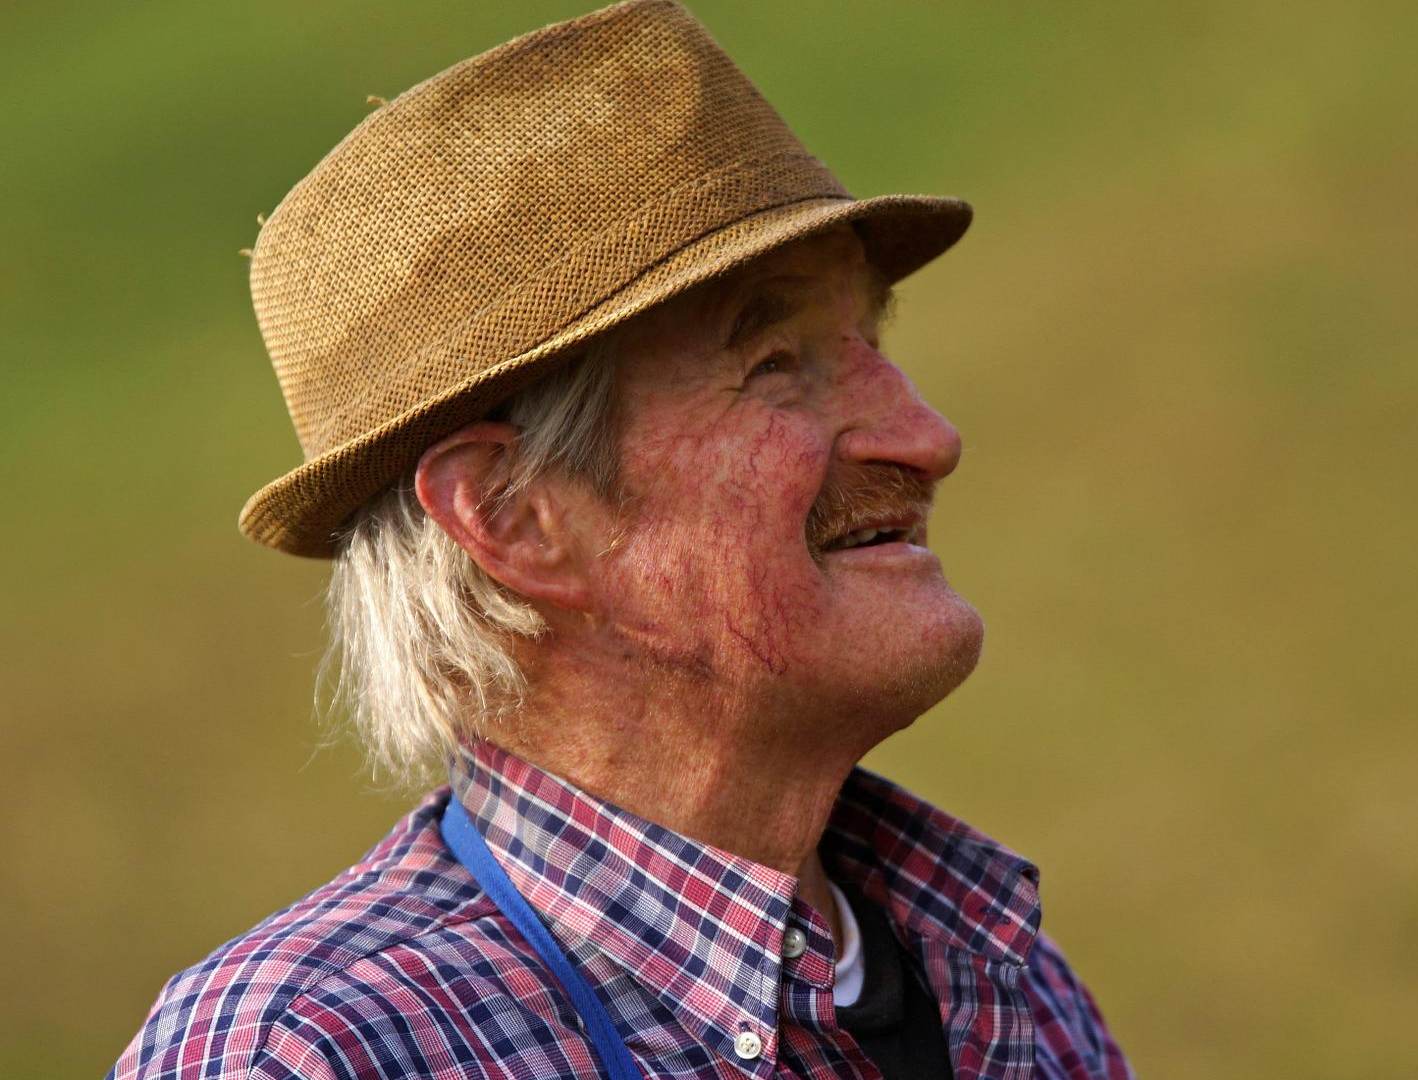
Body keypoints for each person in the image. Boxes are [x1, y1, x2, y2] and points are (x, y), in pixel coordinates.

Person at [111, 2, 1131, 1078]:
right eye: (777, 362)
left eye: (869, 341)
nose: (928, 437)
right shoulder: (314, 1056)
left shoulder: (997, 981)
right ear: (514, 515)